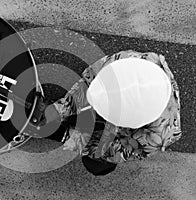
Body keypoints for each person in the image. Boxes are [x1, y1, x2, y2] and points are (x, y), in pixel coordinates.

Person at [32, 50, 182, 176]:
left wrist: (76, 139)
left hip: (127, 131)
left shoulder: (158, 136)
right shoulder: (124, 61)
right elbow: (87, 84)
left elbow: (118, 151)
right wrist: (60, 109)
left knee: (96, 164)